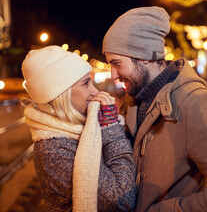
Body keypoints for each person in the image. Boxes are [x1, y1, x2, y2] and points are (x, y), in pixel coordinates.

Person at [102, 6, 207, 211]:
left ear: (144, 55)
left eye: (117, 63)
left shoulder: (196, 102)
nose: (113, 74)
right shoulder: (133, 99)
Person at [21, 45, 136, 212]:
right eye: (86, 83)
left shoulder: (81, 130)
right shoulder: (54, 150)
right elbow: (122, 200)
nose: (94, 91)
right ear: (62, 94)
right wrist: (110, 127)